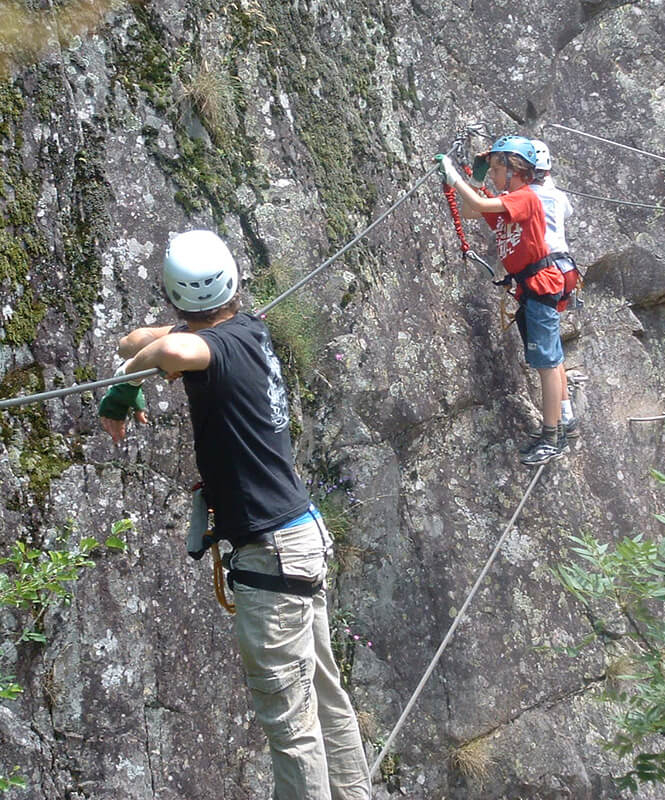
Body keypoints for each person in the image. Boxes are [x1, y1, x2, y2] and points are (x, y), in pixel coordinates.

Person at [98, 230, 371, 800]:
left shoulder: (208, 349)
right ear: (234, 285)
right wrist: (133, 365)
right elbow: (138, 341)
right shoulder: (248, 331)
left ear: (175, 297)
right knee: (325, 697)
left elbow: (171, 351)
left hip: (271, 552)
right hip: (299, 535)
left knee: (291, 727)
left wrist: (125, 391)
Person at [436, 136, 566, 466]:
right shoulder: (510, 201)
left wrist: (456, 176)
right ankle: (555, 428)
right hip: (530, 289)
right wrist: (476, 179)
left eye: (496, 169)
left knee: (547, 363)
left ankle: (552, 436)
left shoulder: (525, 198)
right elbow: (470, 211)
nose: (493, 176)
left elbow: (479, 205)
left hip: (539, 286)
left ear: (515, 170)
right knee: (543, 360)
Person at [528, 138, 579, 443]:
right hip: (566, 271)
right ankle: (567, 414)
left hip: (544, 274)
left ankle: (553, 429)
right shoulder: (557, 196)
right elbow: (567, 213)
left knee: (547, 357)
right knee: (555, 350)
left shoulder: (522, 195)